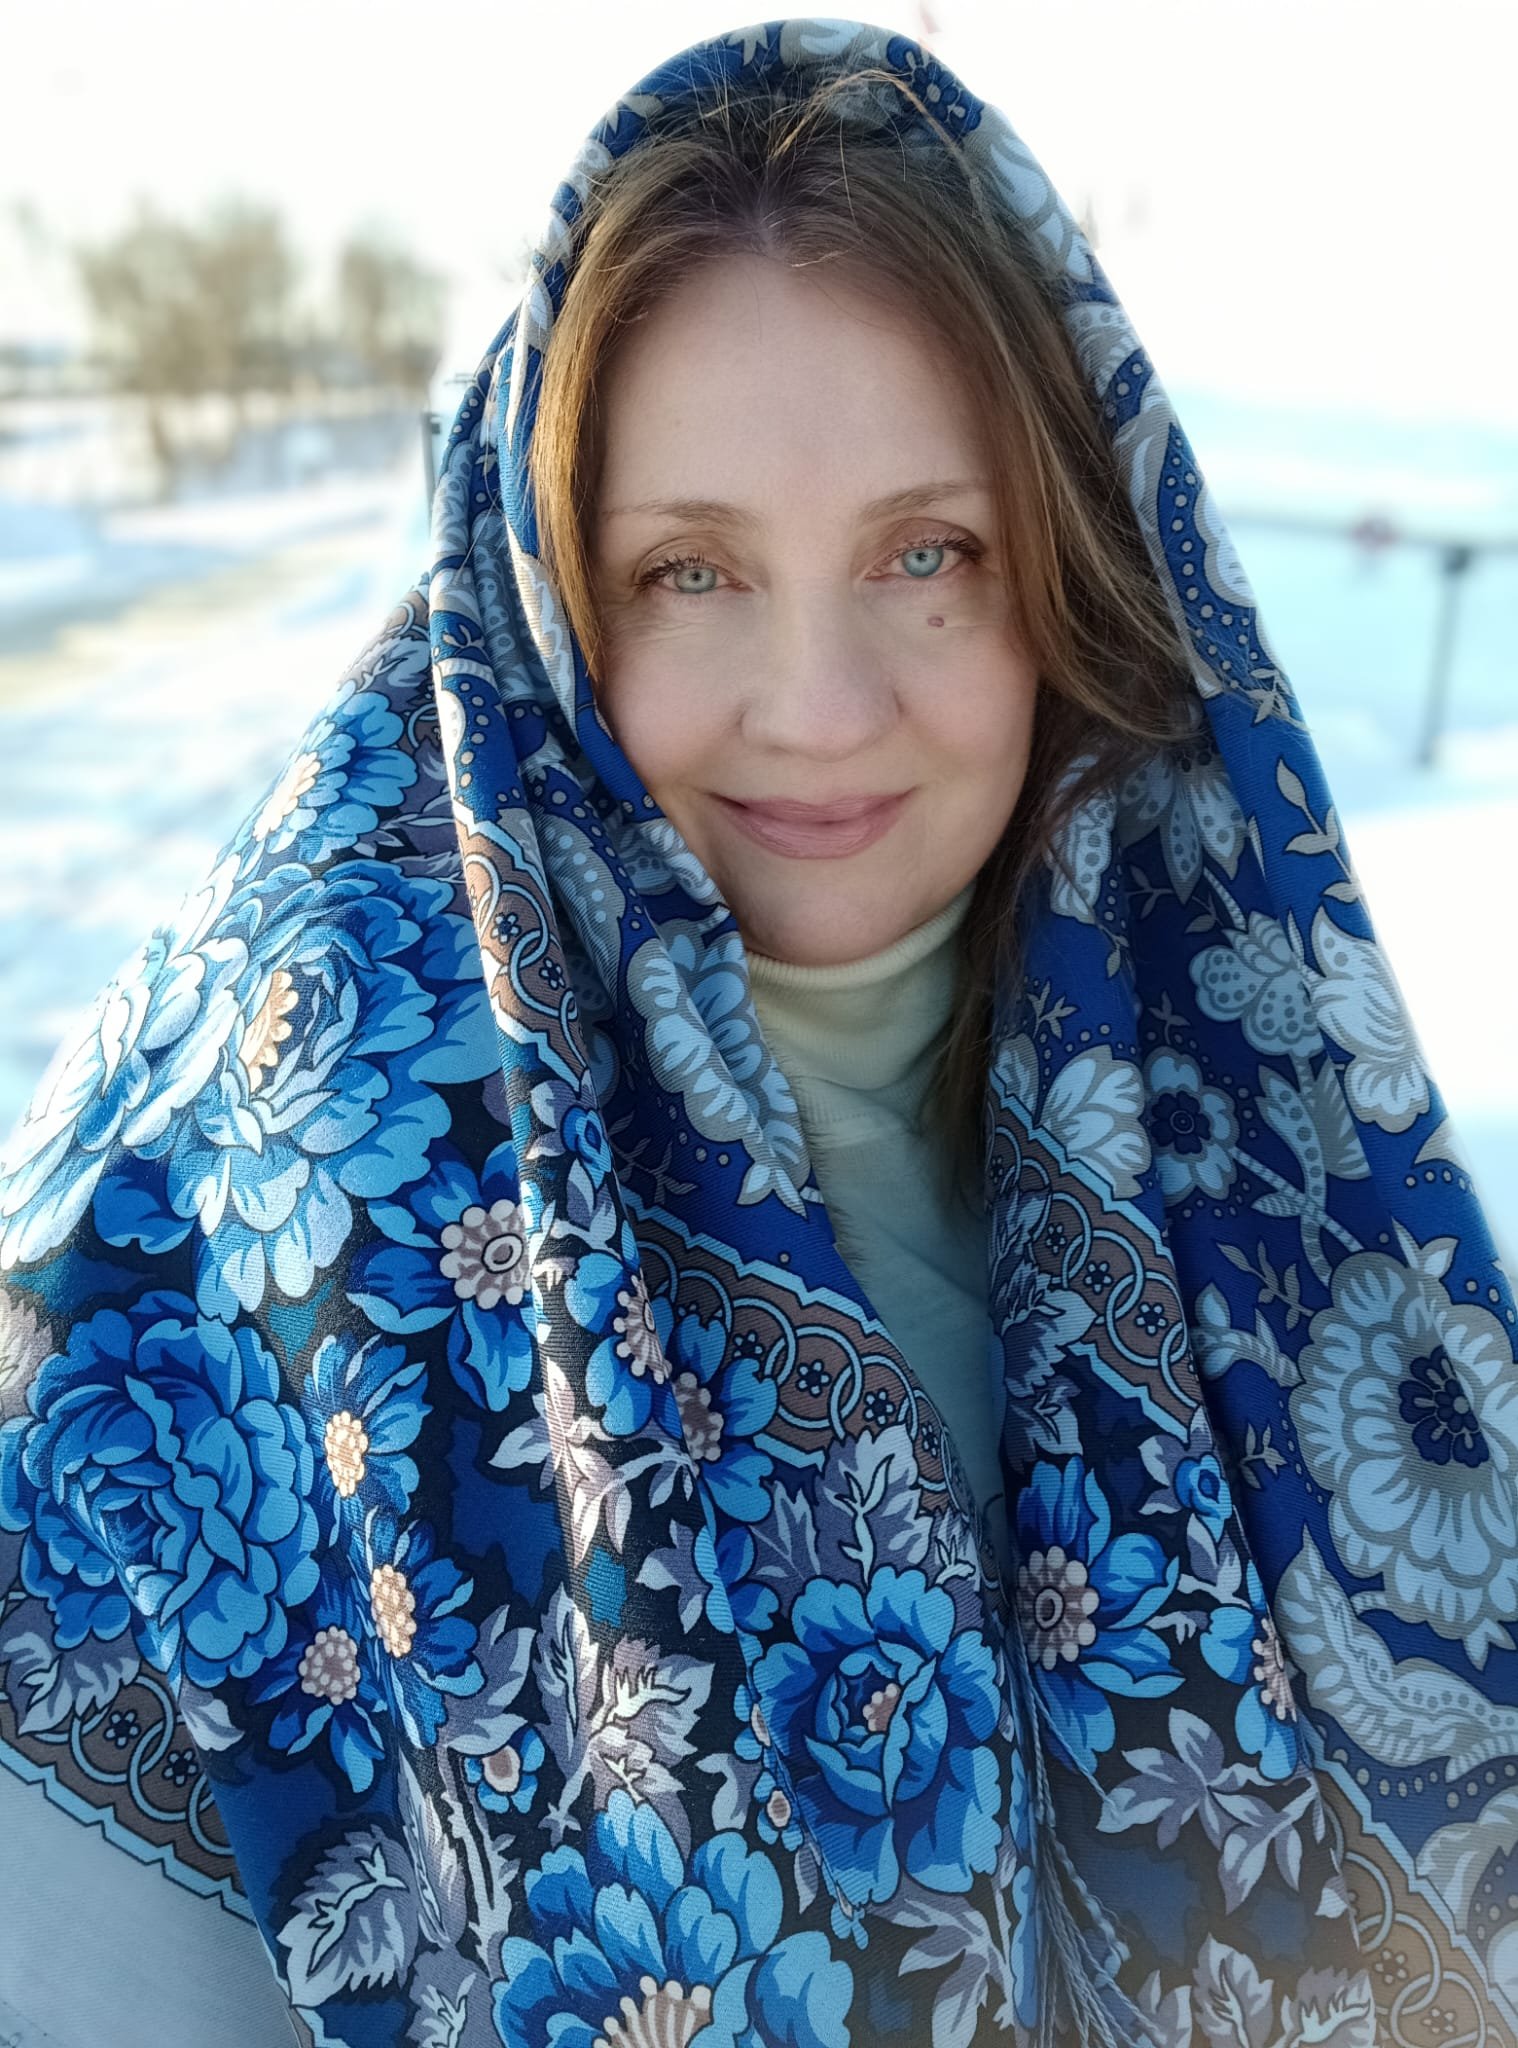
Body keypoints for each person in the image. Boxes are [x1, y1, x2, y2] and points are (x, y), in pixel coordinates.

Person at [1, 19, 1514, 2048]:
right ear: (539, 593)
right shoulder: (232, 1207)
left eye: (926, 555)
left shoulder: (1240, 1122)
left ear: (1070, 575)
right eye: (690, 571)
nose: (817, 705)